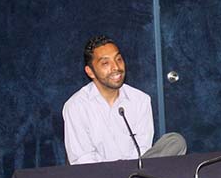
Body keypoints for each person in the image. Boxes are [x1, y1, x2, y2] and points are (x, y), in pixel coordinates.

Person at [62, 35, 186, 165]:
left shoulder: (140, 100)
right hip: (97, 177)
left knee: (175, 141)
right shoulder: (76, 106)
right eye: (105, 63)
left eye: (119, 59)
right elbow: (83, 159)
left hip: (135, 174)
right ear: (90, 72)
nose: (116, 67)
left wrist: (130, 171)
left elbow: (143, 150)